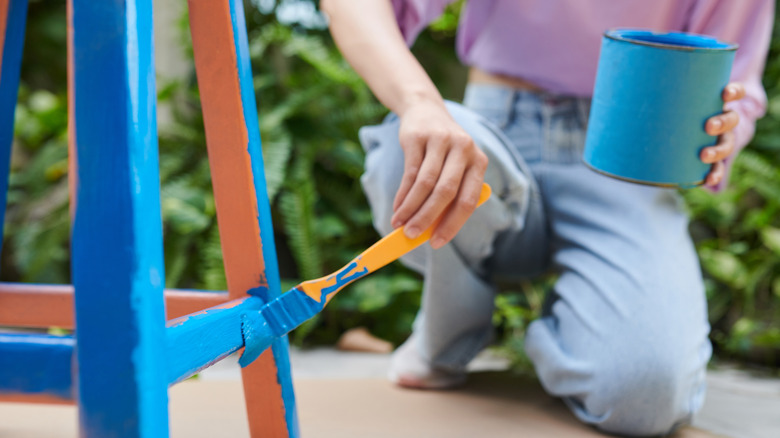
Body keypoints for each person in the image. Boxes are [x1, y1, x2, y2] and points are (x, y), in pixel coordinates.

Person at [320, 0, 774, 435]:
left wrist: (718, 129)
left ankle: (562, 334)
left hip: (627, 154)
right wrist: (420, 103)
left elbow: (730, 79)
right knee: (418, 158)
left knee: (646, 398)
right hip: (497, 127)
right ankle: (451, 324)